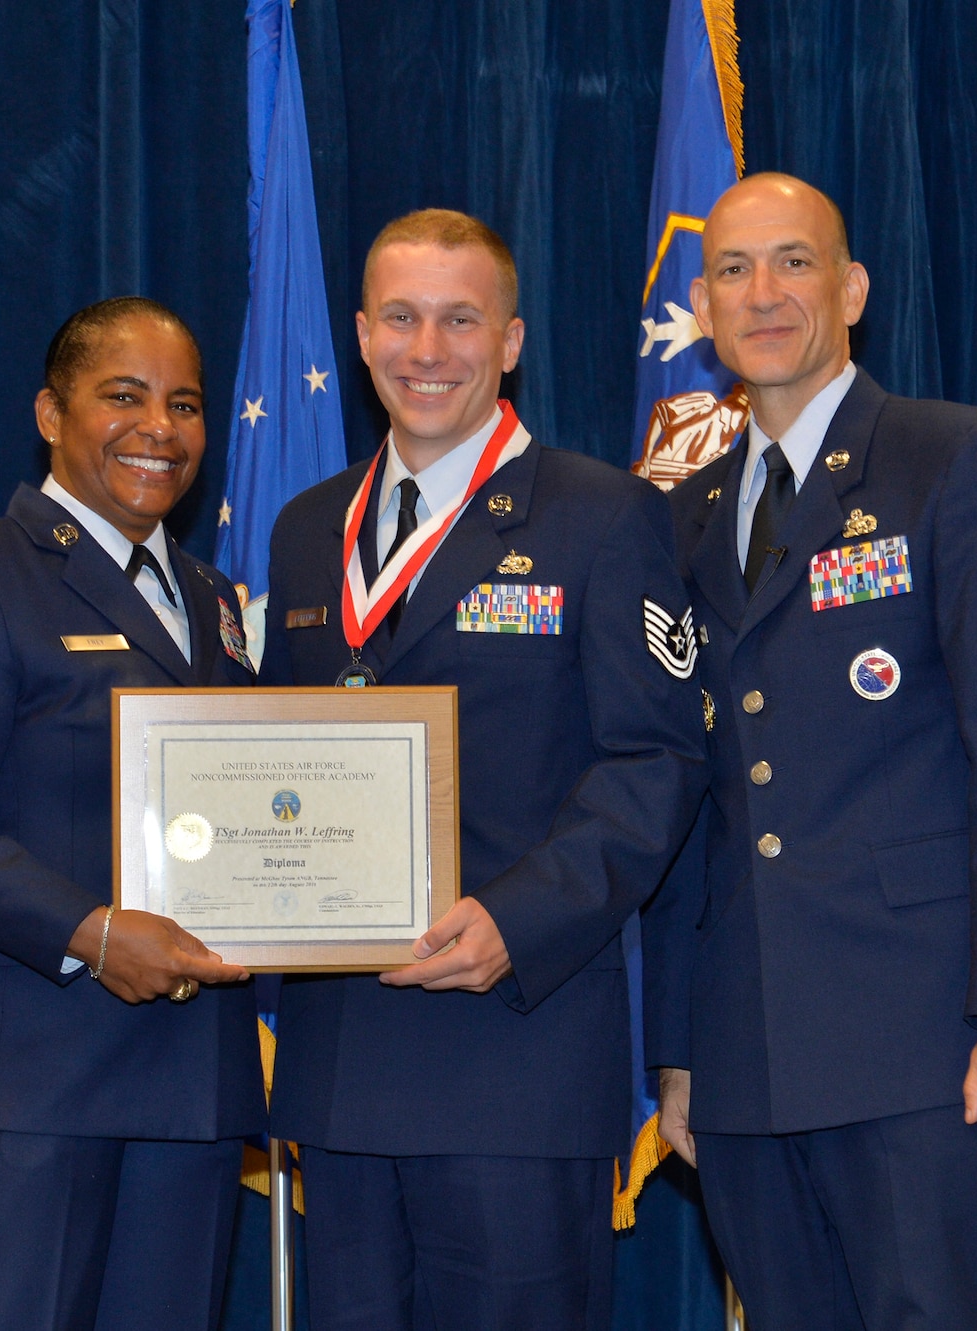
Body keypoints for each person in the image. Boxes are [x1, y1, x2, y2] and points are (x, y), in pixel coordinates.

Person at [643, 173, 977, 1328]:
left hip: (927, 1036)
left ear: (850, 288)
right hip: (747, 1044)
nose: (764, 292)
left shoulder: (957, 458)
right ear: (700, 306)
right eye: (734, 270)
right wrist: (681, 1046)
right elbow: (688, 797)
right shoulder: (681, 518)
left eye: (794, 262)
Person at [258, 209, 708, 1331]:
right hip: (341, 1064)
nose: (427, 349)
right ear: (359, 336)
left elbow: (654, 760)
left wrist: (519, 917)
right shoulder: (306, 528)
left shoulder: (603, 516)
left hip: (518, 1048)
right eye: (401, 318)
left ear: (509, 340)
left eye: (460, 320)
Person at [0, 297, 263, 1331]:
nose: (159, 428)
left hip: (189, 1099)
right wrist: (92, 932)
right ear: (50, 412)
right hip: (22, 1096)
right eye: (122, 396)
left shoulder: (214, 599)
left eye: (183, 403)